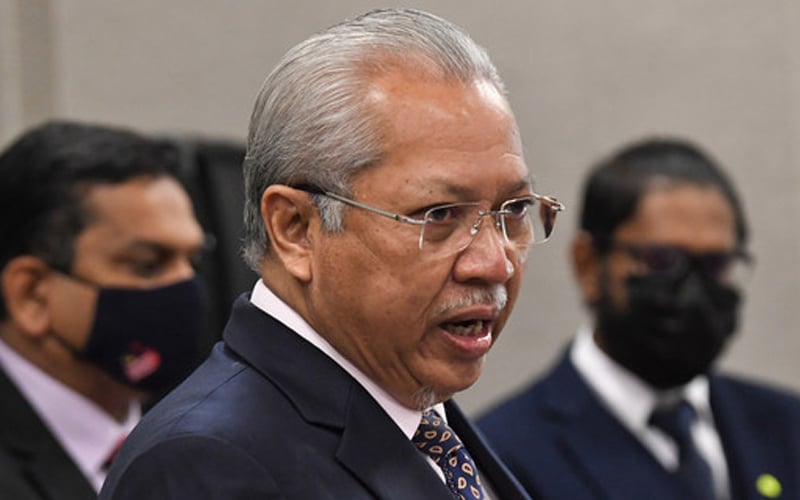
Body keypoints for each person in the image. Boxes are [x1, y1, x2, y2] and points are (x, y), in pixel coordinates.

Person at [99, 8, 566, 500]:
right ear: (296, 229)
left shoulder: (425, 421)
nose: (495, 264)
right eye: (439, 215)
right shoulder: (206, 465)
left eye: (515, 209)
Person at [478, 138, 800, 500]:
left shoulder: (787, 427)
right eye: (661, 261)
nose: (692, 292)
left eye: (716, 264)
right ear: (588, 264)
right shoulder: (502, 457)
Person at [0, 121, 209, 499]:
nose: (185, 286)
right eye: (148, 265)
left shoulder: (216, 431)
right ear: (32, 294)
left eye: (192, 261)